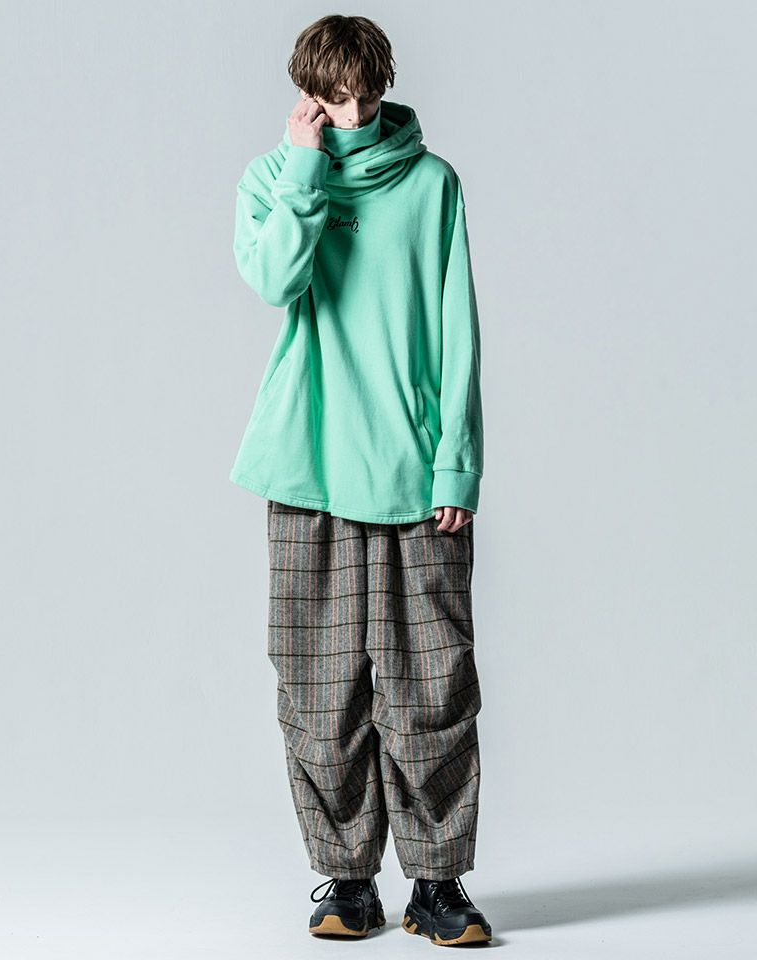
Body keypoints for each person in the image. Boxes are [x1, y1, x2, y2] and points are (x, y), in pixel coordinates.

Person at [228, 14, 490, 946]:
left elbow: (458, 331)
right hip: (307, 467)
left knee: (432, 687)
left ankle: (438, 885)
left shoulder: (431, 184)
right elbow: (276, 281)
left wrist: (457, 462)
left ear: (382, 85)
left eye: (363, 97)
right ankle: (346, 879)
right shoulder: (272, 177)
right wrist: (305, 171)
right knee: (319, 686)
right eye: (333, 100)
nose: (351, 115)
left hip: (416, 476)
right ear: (306, 93)